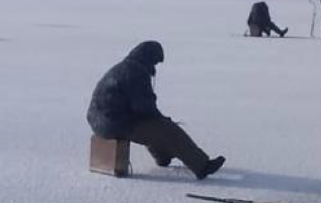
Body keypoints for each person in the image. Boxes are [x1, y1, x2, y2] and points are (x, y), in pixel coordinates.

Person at [86, 41, 226, 180]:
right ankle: (202, 166)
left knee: (154, 126)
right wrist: (162, 119)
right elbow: (144, 107)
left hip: (101, 121)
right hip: (114, 123)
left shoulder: (124, 67)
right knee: (167, 129)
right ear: (149, 58)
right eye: (155, 62)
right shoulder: (136, 72)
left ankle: (163, 157)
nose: (155, 67)